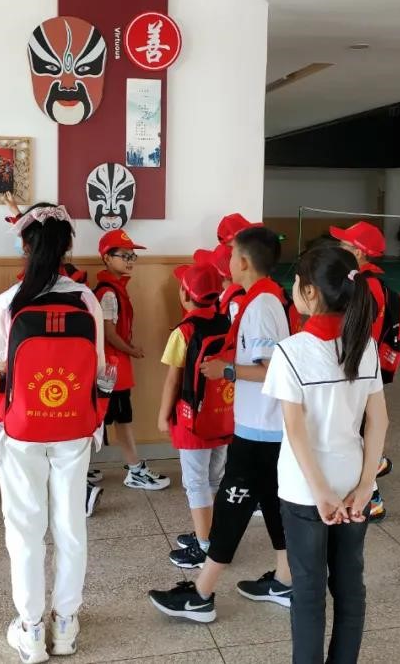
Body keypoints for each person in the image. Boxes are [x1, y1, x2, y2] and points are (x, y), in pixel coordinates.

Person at [149, 226, 292, 623]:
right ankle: (285, 581)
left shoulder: (261, 306)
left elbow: (272, 370)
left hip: (260, 430)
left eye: (230, 255)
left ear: (243, 261)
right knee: (272, 505)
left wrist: (226, 370)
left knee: (230, 509)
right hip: (261, 426)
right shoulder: (262, 298)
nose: (227, 261)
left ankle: (200, 595)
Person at [0, 203, 106, 663]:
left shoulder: (8, 302)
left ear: (24, 245)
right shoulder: (86, 300)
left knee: (25, 528)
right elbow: (98, 368)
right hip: (74, 427)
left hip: (21, 430)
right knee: (71, 525)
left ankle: (31, 629)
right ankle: (66, 624)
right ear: (68, 245)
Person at [265, 243, 388, 663]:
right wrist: (366, 485)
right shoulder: (365, 346)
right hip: (353, 482)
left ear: (310, 292)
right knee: (350, 586)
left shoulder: (291, 351)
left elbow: (295, 429)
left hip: (305, 490)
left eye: (296, 284)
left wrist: (319, 491)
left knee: (308, 589)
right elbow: (379, 421)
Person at [158, 262, 231, 569]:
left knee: (196, 483)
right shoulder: (227, 322)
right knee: (214, 478)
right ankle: (211, 534)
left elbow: (173, 381)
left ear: (185, 295)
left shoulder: (184, 332)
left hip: (193, 422)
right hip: (223, 415)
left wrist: (163, 416)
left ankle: (204, 547)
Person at [95, 229, 170, 491]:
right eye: (124, 255)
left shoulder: (115, 289)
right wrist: (131, 350)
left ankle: (84, 469)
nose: (129, 261)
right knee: (119, 418)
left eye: (132, 256)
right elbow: (108, 333)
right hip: (111, 367)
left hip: (114, 364)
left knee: (107, 417)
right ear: (107, 257)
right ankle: (135, 470)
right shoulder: (108, 293)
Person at [330, 221, 392, 521]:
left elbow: (357, 331)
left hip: (358, 369)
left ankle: (373, 498)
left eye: (344, 245)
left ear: (358, 252)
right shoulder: (364, 282)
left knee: (356, 432)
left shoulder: (366, 287)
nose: (339, 249)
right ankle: (375, 465)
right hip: (360, 367)